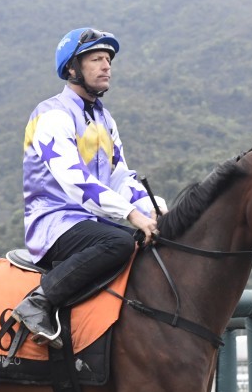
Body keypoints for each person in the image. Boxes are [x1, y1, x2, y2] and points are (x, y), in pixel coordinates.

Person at [12, 27, 160, 349]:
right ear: (72, 69)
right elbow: (75, 180)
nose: (106, 65)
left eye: (108, 59)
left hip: (92, 223)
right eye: (96, 59)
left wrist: (154, 210)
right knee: (120, 243)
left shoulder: (105, 120)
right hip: (54, 222)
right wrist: (132, 214)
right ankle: (38, 301)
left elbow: (120, 176)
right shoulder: (51, 115)